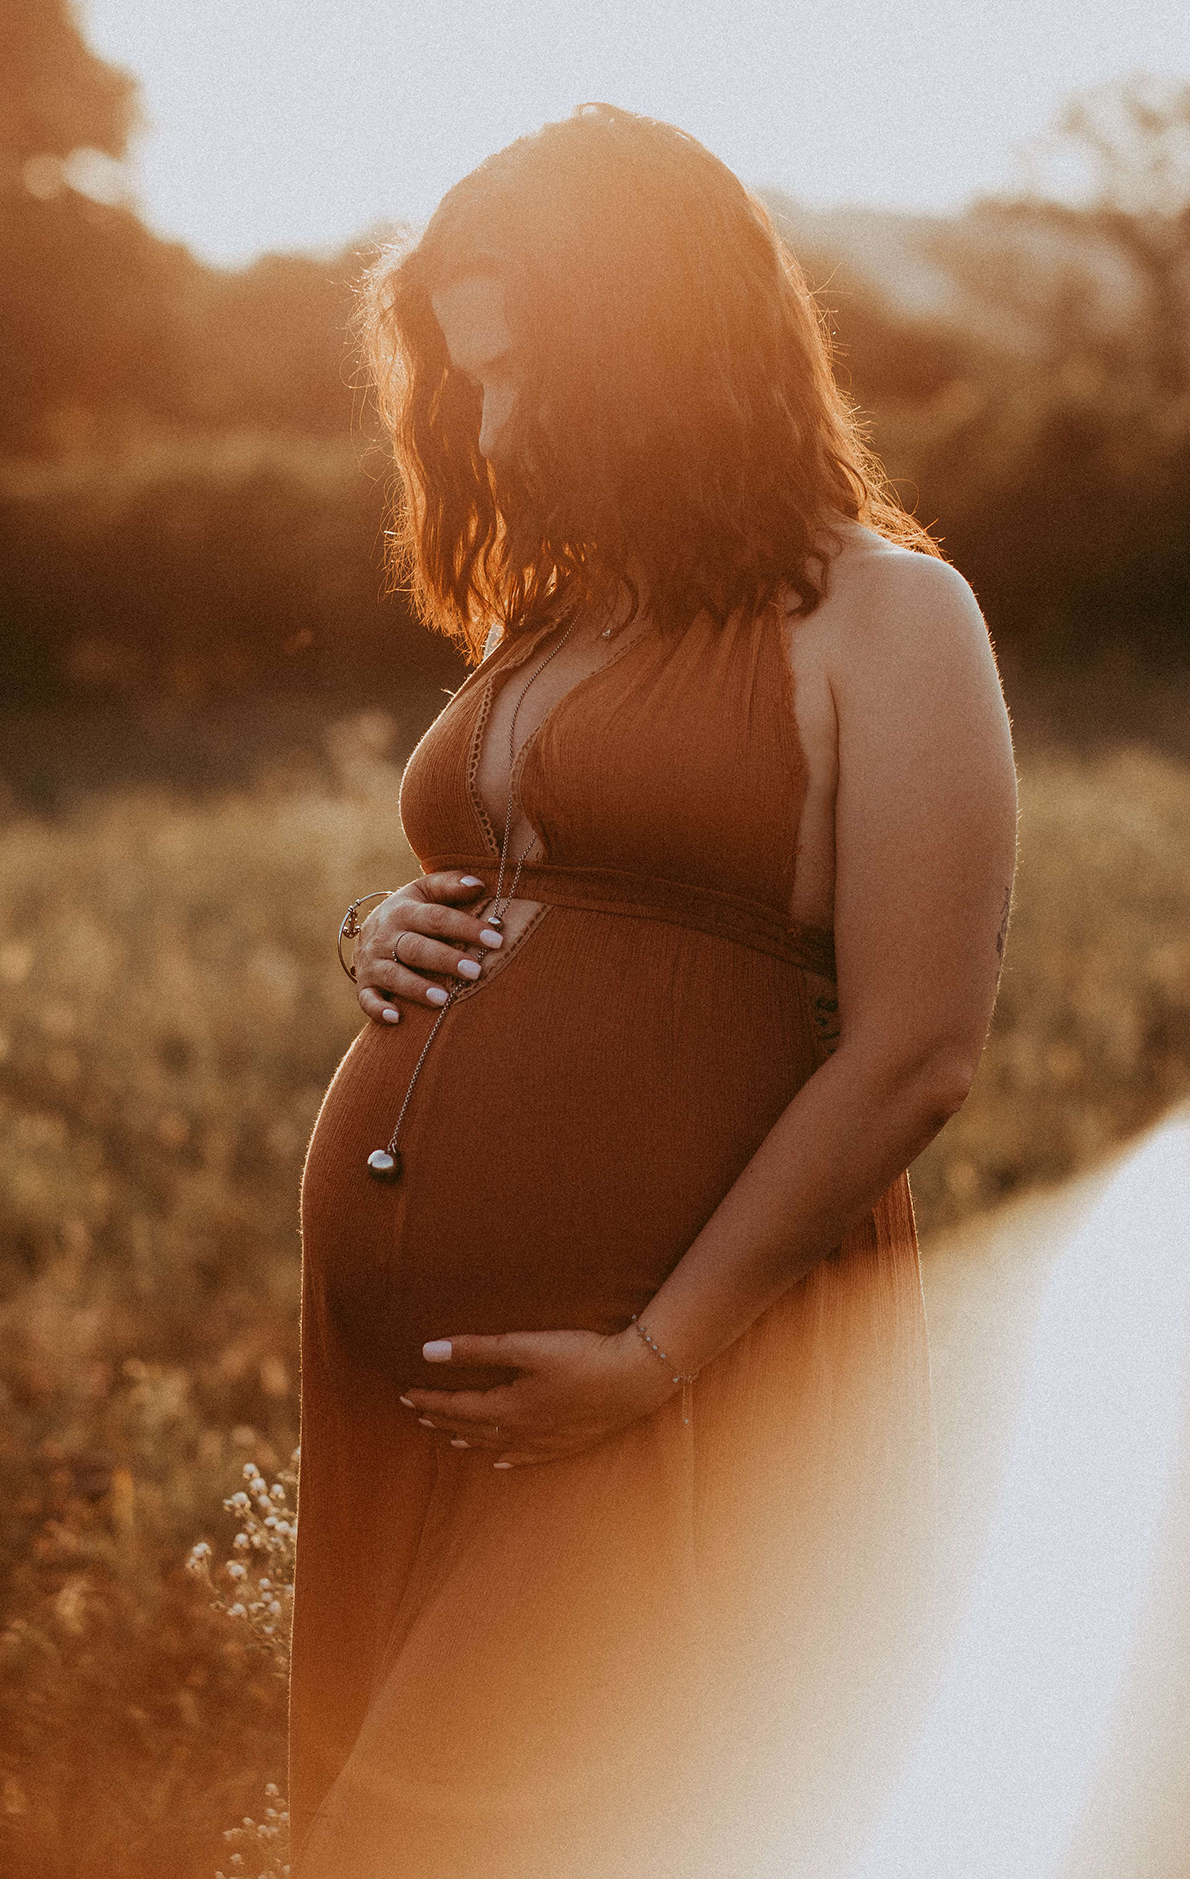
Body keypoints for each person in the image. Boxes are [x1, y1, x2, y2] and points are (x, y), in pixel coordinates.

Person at [288, 103, 1017, 1879]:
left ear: (664, 347)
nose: (493, 424)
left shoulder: (883, 616)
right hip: (421, 1386)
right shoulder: (551, 620)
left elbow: (917, 1052)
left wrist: (654, 1356)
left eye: (528, 373)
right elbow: (528, 884)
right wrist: (371, 930)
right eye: (465, 387)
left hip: (668, 1366)